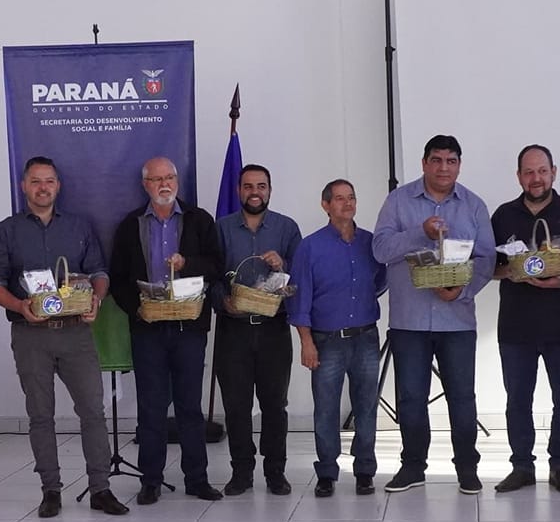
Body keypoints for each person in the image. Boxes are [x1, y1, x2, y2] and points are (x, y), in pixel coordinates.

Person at [0, 156, 131, 518]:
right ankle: (50, 490)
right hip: (30, 334)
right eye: (35, 181)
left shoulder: (79, 227)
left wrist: (96, 299)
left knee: (92, 411)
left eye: (49, 181)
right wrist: (20, 306)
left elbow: (99, 272)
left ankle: (100, 488)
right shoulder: (6, 231)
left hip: (76, 333)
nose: (43, 188)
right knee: (40, 415)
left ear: (58, 186)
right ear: (24, 186)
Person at [371, 134, 497, 492]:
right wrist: (419, 233)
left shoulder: (473, 205)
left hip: (457, 320)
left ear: (459, 165)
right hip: (409, 320)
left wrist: (462, 291)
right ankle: (412, 467)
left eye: (451, 161)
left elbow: (486, 259)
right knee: (411, 398)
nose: (444, 167)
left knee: (462, 397)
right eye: (437, 160)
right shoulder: (398, 201)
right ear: (424, 163)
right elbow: (379, 249)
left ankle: (467, 468)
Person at [111, 156, 225, 504]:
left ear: (177, 180)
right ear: (145, 185)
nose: (164, 184)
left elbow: (217, 265)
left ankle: (197, 479)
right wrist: (137, 310)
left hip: (189, 327)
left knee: (190, 406)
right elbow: (118, 278)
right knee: (151, 407)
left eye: (169, 177)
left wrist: (187, 263)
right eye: (156, 179)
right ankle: (151, 481)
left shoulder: (199, 220)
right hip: (147, 329)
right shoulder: (130, 225)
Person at [490, 145, 560, 495]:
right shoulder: (503, 215)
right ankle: (521, 466)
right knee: (517, 401)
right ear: (518, 176)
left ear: (554, 172)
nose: (536, 178)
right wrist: (511, 272)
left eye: (542, 171)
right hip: (515, 327)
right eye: (528, 172)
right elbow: (489, 266)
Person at [291, 179, 387, 496]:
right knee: (326, 409)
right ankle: (327, 472)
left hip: (365, 337)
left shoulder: (370, 243)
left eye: (352, 198)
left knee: (366, 407)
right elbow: (300, 299)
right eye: (339, 198)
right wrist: (306, 342)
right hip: (326, 340)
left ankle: (365, 470)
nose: (347, 203)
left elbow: (380, 281)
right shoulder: (310, 247)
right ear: (326, 205)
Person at [213, 164, 301, 496]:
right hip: (233, 329)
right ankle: (241, 472)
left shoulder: (286, 228)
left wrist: (283, 266)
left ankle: (276, 472)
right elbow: (210, 276)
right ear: (239, 190)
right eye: (248, 186)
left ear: (269, 190)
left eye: (261, 186)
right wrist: (223, 302)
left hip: (272, 329)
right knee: (236, 406)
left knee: (275, 405)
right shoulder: (222, 228)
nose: (255, 192)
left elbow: (302, 275)